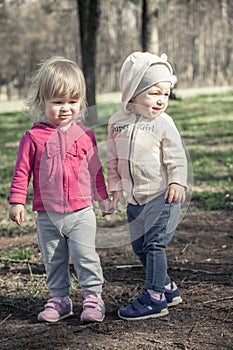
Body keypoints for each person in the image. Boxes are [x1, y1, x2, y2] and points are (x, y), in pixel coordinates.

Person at [9, 56, 112, 323]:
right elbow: (22, 172)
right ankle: (60, 299)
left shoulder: (85, 135)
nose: (66, 108)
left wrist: (103, 198)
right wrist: (17, 201)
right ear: (42, 101)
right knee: (53, 259)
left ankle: (93, 297)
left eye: (72, 101)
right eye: (57, 102)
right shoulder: (32, 138)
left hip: (81, 212)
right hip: (47, 216)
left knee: (85, 255)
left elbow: (95, 169)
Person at [107, 51, 188, 320]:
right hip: (134, 199)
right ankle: (167, 287)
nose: (161, 100)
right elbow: (112, 158)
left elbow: (176, 156)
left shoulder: (164, 123)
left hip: (161, 196)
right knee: (140, 247)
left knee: (155, 245)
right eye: (154, 92)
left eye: (165, 94)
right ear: (133, 90)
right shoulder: (117, 123)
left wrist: (177, 180)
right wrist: (116, 186)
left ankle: (154, 297)